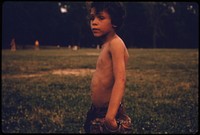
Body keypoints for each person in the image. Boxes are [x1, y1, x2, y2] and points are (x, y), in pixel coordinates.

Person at [84, 2, 132, 133]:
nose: (94, 22)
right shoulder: (107, 44)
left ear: (114, 22)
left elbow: (120, 80)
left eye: (101, 18)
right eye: (92, 18)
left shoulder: (116, 44)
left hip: (109, 112)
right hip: (97, 111)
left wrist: (110, 117)